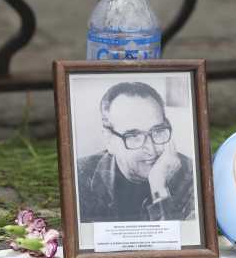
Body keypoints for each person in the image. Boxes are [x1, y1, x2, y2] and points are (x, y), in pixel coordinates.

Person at [77, 81, 195, 223]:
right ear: (109, 140)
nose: (151, 150)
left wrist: (159, 187)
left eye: (157, 131)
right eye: (133, 136)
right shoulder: (80, 175)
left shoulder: (191, 173)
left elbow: (181, 241)